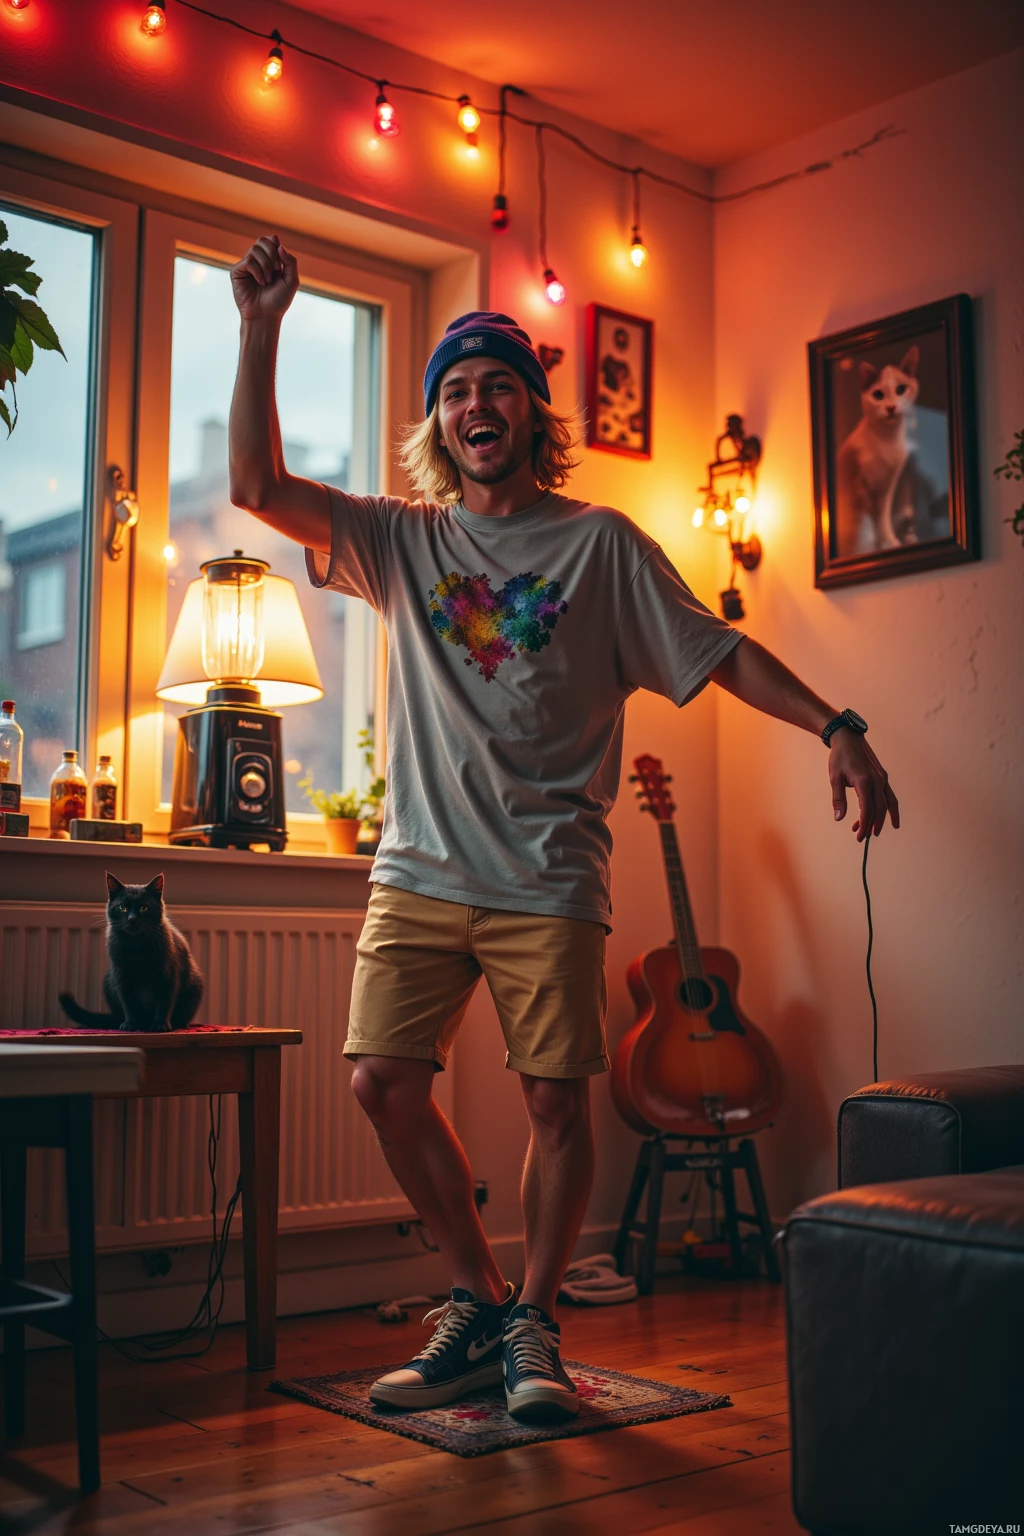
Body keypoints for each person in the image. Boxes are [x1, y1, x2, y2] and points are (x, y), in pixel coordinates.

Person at [228, 234, 899, 1425]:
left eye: (496, 385)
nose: (474, 404)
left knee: (552, 1102)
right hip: (419, 868)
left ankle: (535, 1318)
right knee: (380, 1080)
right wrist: (261, 326)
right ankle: (481, 1303)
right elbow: (256, 490)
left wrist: (834, 722)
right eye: (454, 391)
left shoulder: (601, 546)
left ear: (533, 414)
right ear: (438, 426)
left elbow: (719, 650)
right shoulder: (400, 540)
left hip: (548, 873)